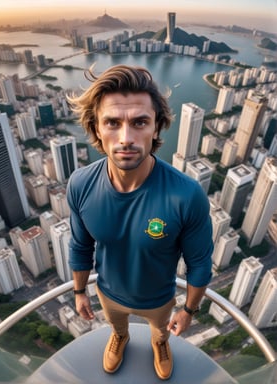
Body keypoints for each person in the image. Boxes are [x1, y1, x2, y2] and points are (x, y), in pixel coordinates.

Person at [66, 64, 213, 380]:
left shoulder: (186, 195)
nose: (126, 138)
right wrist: (80, 292)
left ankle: (160, 344)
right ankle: (120, 336)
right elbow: (80, 245)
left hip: (159, 299)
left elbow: (200, 263)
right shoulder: (80, 184)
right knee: (116, 326)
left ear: (157, 128)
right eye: (112, 123)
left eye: (140, 122)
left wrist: (188, 311)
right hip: (108, 292)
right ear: (96, 128)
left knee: (160, 332)